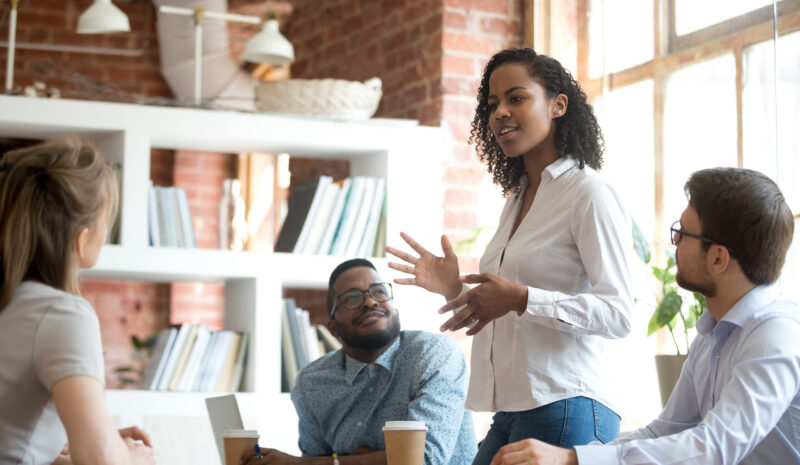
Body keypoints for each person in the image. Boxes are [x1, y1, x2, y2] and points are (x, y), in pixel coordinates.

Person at [385, 47, 633, 464]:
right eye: (492, 104)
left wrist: (521, 298)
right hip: (516, 408)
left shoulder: (588, 194)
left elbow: (618, 313)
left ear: (558, 105)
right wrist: (453, 289)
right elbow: (506, 312)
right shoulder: (517, 199)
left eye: (516, 98)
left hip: (569, 403)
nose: (499, 112)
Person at [489, 167, 798, 465]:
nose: (674, 244)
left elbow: (715, 446)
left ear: (718, 258)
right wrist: (579, 458)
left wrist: (572, 458)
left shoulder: (775, 334)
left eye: (683, 233)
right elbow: (663, 430)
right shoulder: (714, 334)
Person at [0, 139, 156, 465]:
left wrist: (86, 447)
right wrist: (135, 458)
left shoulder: (15, 305)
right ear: (81, 240)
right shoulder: (63, 314)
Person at [243, 258, 476, 465]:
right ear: (332, 328)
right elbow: (315, 458)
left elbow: (423, 459)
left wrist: (333, 462)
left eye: (379, 292)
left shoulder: (434, 354)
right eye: (352, 298)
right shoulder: (311, 383)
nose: (370, 302)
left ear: (396, 310)